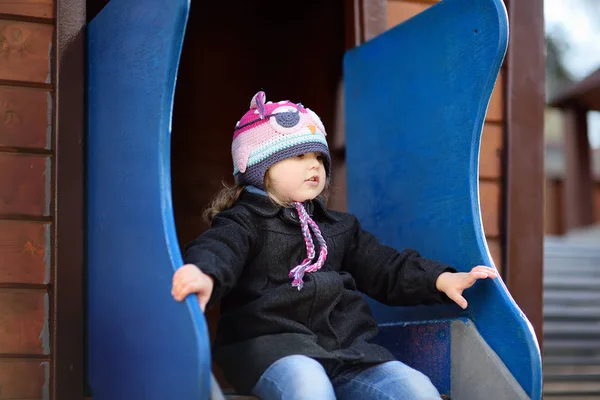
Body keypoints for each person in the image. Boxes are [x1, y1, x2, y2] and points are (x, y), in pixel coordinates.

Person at [171, 91, 497, 399]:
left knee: (415, 388)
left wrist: (439, 279)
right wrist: (204, 274)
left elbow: (385, 266)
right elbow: (220, 248)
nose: (314, 165)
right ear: (260, 167)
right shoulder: (244, 222)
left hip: (346, 350)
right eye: (298, 155)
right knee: (309, 385)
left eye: (318, 157)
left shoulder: (339, 227)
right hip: (271, 347)